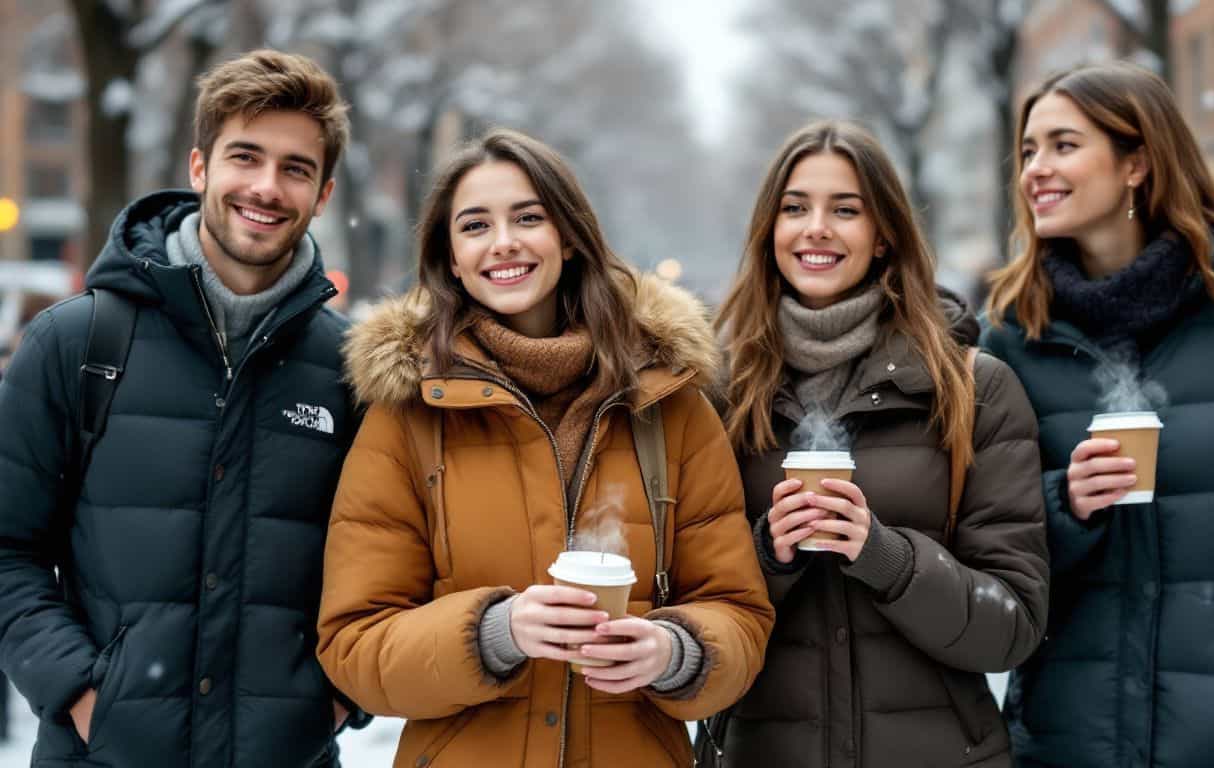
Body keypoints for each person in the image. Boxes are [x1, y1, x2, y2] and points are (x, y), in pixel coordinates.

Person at [315, 128, 773, 768]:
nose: (503, 242)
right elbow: (355, 646)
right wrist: (496, 633)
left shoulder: (670, 405)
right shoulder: (407, 415)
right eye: (475, 225)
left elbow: (740, 615)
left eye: (528, 217)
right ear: (450, 256)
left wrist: (677, 653)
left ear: (568, 236)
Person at [0, 50, 367, 767]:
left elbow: (395, 563)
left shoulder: (353, 370)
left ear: (323, 194)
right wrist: (82, 695)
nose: (266, 186)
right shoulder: (73, 343)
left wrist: (334, 701)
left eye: (296, 168)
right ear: (200, 168)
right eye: (245, 157)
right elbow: (7, 549)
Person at [981, 62, 1214, 768]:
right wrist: (1064, 505)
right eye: (1028, 150)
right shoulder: (1010, 341)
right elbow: (983, 546)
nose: (1035, 169)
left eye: (1062, 145)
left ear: (1137, 163)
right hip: (1063, 748)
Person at [705, 119, 1049, 767]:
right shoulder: (719, 396)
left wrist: (884, 555)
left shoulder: (974, 391)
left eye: (846, 210)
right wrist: (768, 556)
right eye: (794, 208)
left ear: (885, 235)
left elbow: (1012, 628)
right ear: (767, 232)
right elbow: (690, 614)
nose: (816, 228)